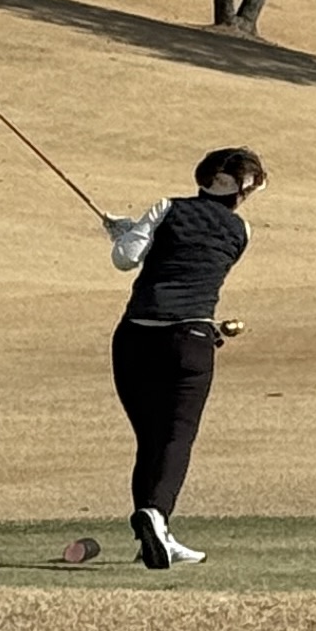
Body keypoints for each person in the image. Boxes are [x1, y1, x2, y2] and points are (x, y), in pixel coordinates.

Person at [102, 147, 263, 569]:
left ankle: (152, 534)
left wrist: (130, 231)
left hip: (134, 338)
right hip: (189, 341)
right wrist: (136, 232)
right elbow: (190, 254)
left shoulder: (166, 207)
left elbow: (126, 259)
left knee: (150, 440)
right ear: (245, 192)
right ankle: (156, 517)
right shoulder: (240, 230)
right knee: (174, 438)